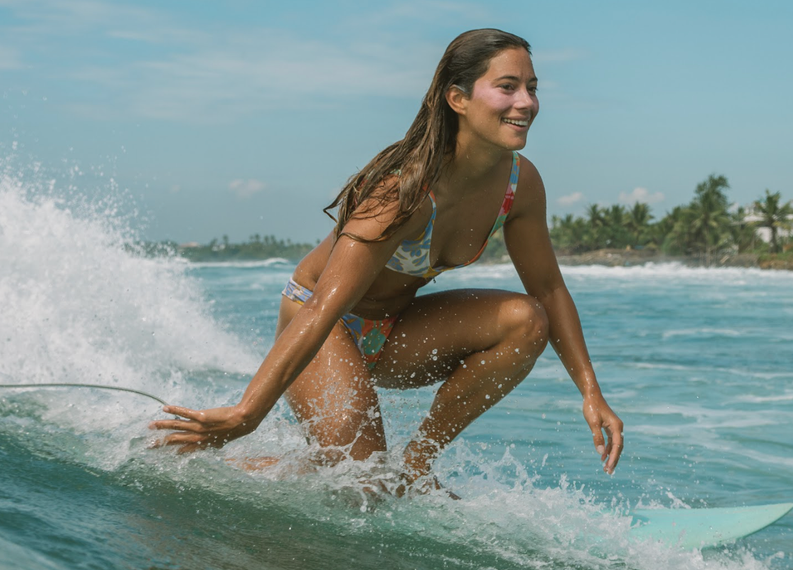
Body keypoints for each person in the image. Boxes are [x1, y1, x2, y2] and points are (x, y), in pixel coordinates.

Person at [152, 29, 624, 492]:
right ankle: (209, 465)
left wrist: (590, 391)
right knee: (365, 487)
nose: (526, 102)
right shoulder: (403, 189)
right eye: (507, 87)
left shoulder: (520, 185)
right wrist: (247, 413)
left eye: (532, 88)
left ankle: (416, 465)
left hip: (397, 331)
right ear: (457, 99)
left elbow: (548, 289)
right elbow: (323, 308)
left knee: (527, 320)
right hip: (325, 323)